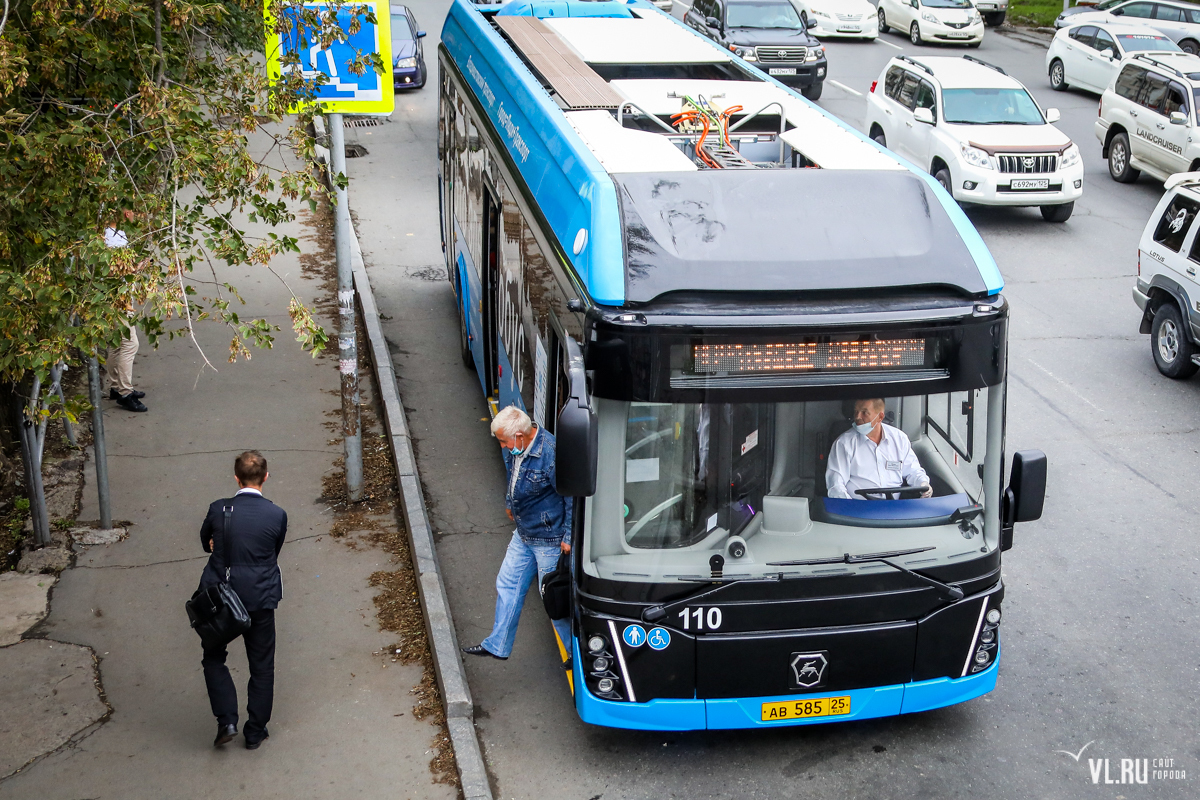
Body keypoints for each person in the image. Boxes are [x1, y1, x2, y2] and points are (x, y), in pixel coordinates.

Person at [462, 406, 573, 662]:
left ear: (520, 437)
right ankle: (497, 645)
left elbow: (571, 499)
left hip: (550, 540)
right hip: (525, 533)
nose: (502, 447)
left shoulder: (551, 455)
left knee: (554, 604)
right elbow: (514, 476)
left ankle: (578, 660)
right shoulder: (520, 447)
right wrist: (510, 503)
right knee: (508, 584)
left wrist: (568, 537)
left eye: (503, 441)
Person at [197, 451, 287, 749]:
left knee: (213, 656)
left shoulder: (217, 509)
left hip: (220, 599)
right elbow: (273, 551)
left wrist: (217, 544)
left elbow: (205, 542)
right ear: (266, 476)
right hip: (260, 597)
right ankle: (255, 731)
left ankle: (227, 720)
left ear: (236, 478)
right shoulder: (276, 514)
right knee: (261, 665)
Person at [825, 398, 932, 500]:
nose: (857, 417)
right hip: (858, 508)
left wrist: (923, 484)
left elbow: (913, 471)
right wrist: (849, 508)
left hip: (895, 508)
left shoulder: (899, 439)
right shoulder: (844, 443)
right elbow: (836, 484)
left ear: (880, 417)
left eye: (864, 412)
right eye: (856, 411)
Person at [104, 219, 146, 412]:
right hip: (118, 298)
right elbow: (113, 272)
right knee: (130, 343)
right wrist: (137, 269)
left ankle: (115, 386)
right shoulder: (111, 237)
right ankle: (125, 393)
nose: (133, 213)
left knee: (116, 343)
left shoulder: (114, 232)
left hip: (117, 296)